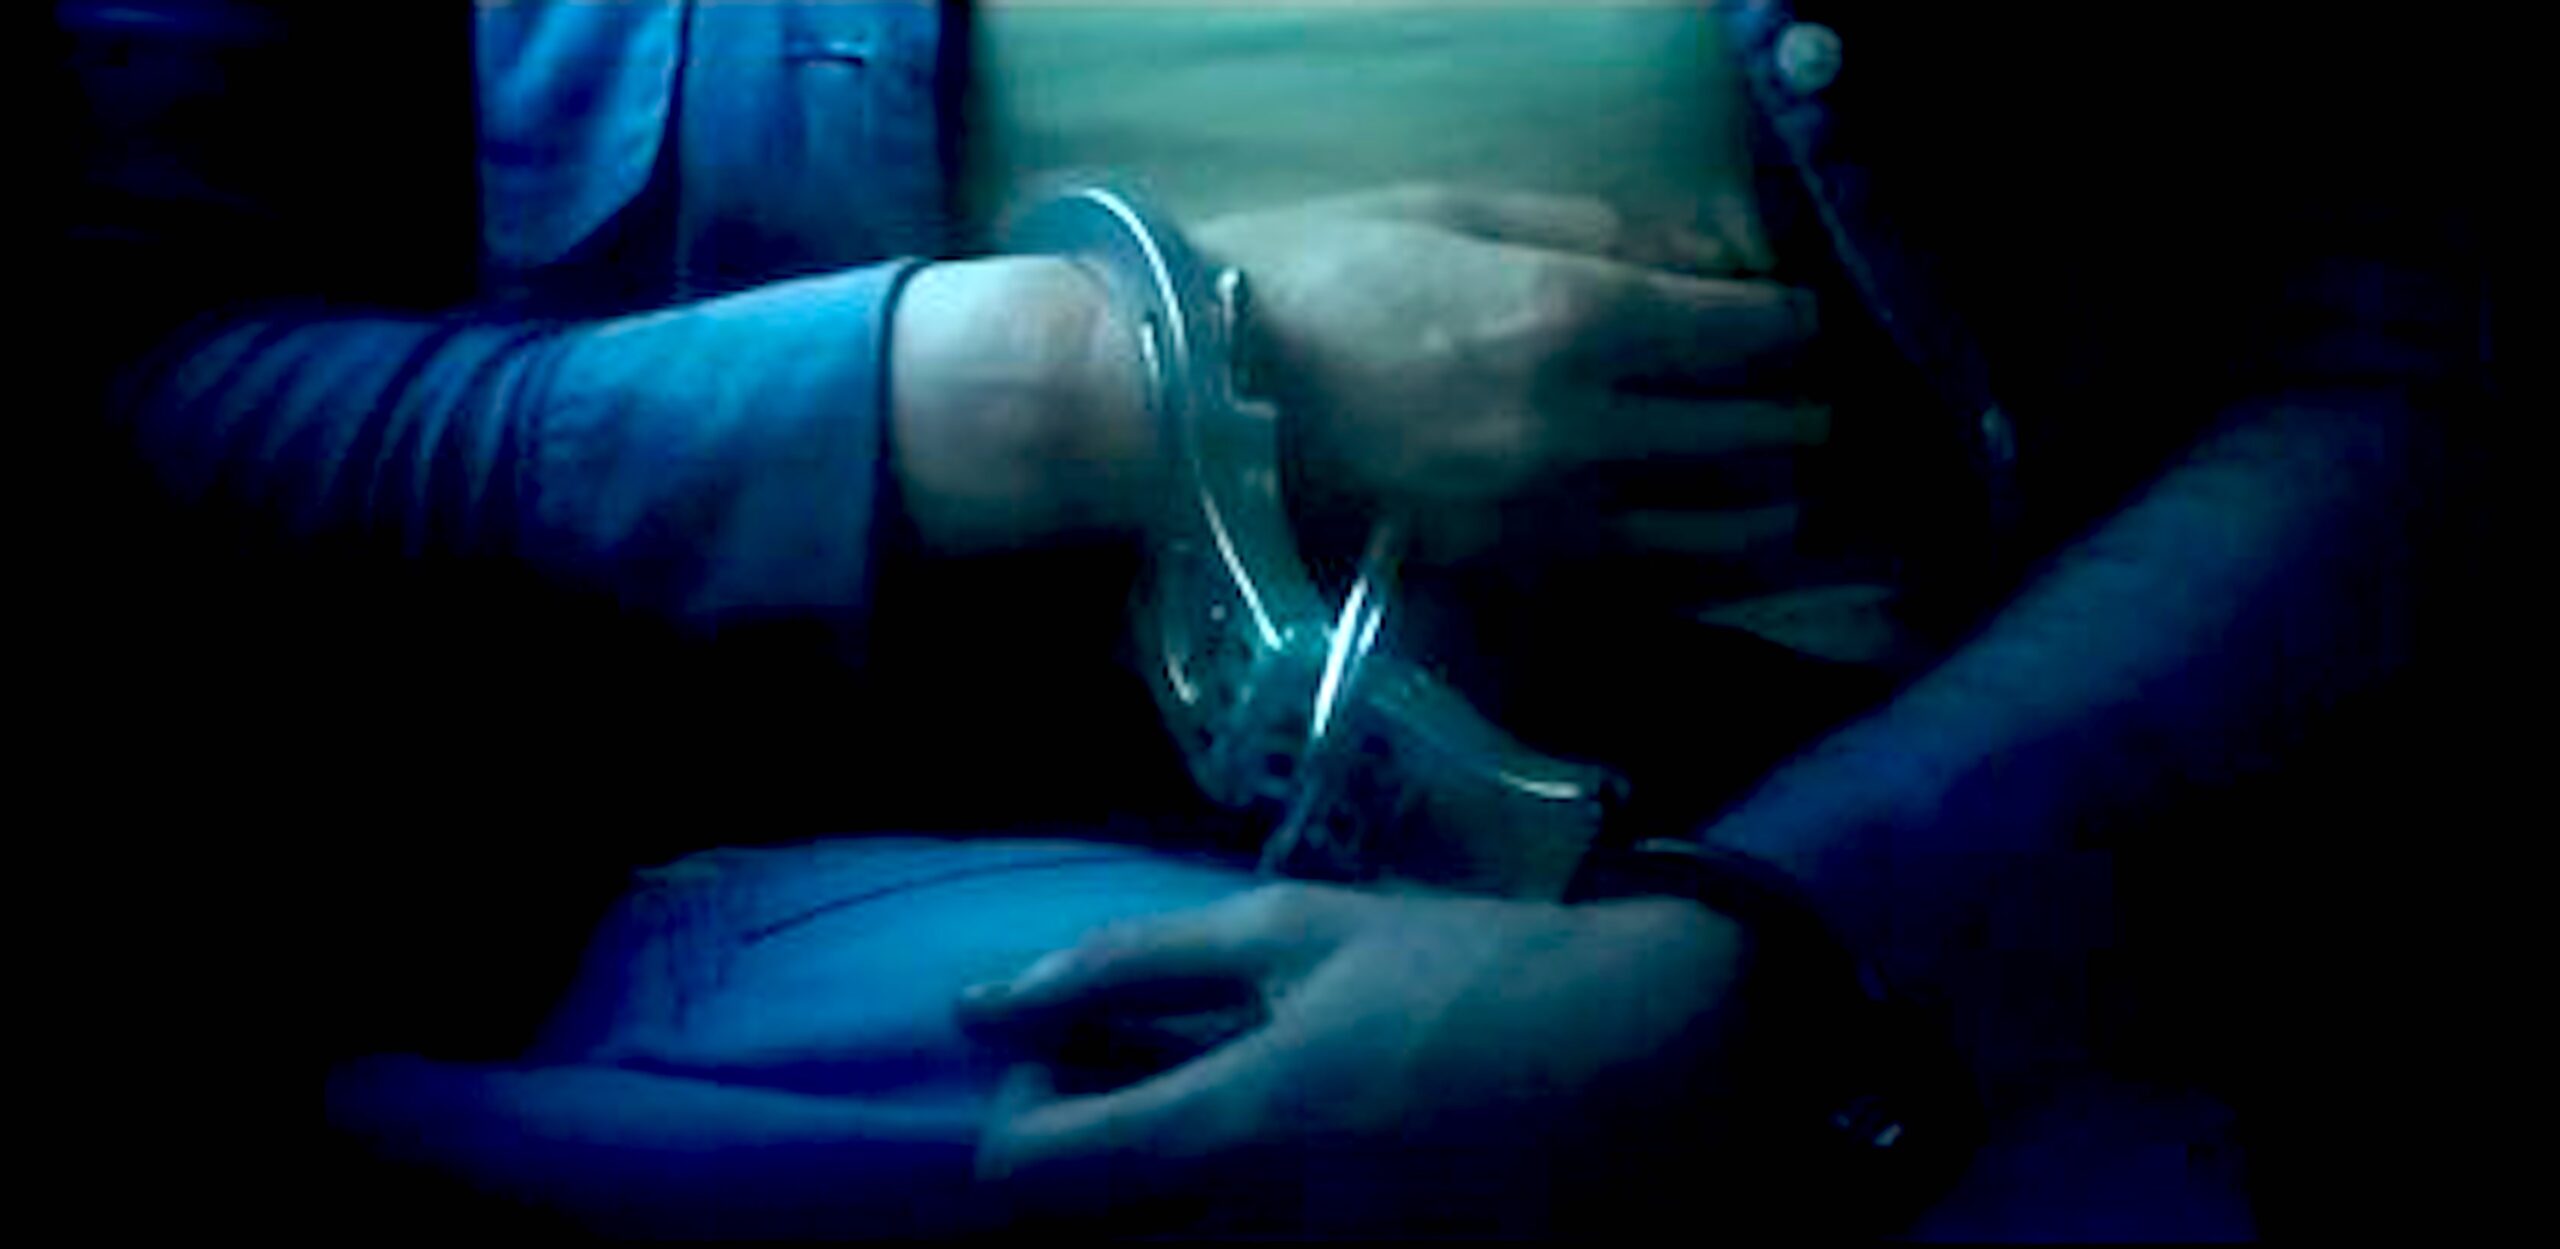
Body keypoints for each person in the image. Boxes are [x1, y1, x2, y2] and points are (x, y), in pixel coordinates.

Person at [51, 0, 2499, 1239]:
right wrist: (1085, 382)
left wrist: (1772, 977)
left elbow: (2401, 337)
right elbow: (126, 402)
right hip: (823, 965)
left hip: (1887, 945)